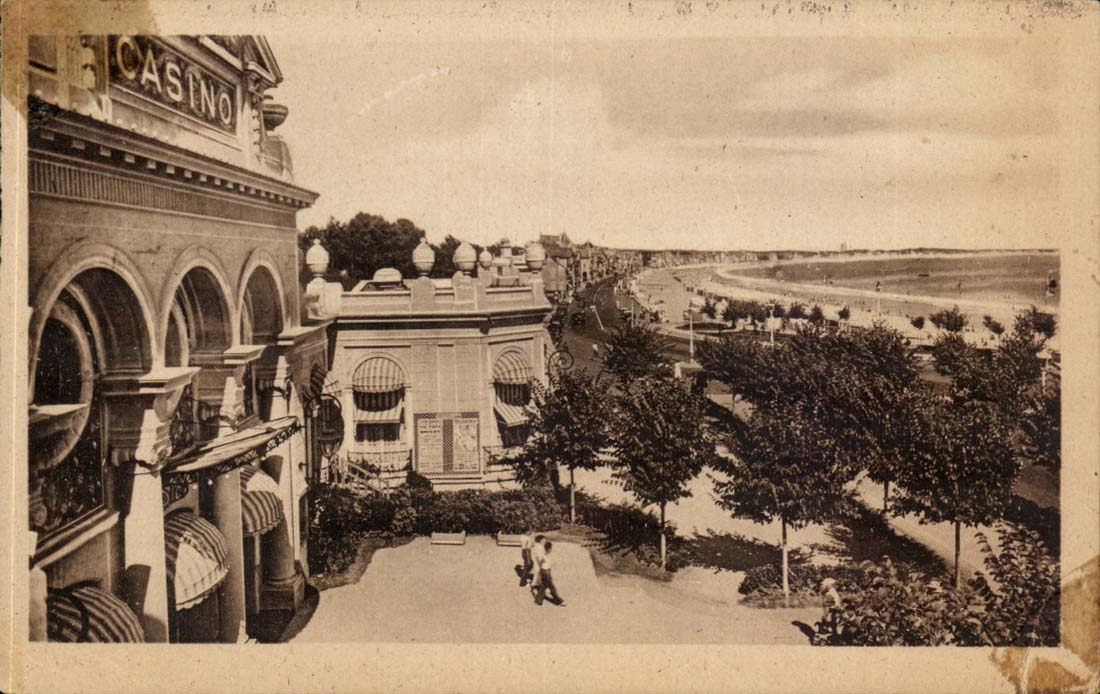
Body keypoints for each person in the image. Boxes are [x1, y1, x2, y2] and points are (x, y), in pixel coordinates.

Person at [534, 541, 564, 606]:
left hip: (545, 571)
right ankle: (559, 601)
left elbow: (541, 563)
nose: (551, 550)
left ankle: (538, 600)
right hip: (545, 572)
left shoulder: (545, 555)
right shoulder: (546, 556)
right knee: (552, 587)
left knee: (544, 586)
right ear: (548, 549)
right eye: (550, 548)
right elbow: (544, 563)